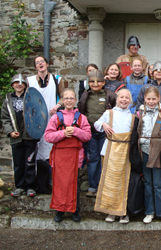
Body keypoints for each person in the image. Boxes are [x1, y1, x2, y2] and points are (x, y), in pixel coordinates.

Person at [44, 88, 91, 223]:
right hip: (59, 155)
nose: (69, 101)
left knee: (73, 184)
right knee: (59, 184)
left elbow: (87, 135)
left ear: (75, 100)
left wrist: (76, 131)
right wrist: (63, 133)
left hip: (75, 155)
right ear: (62, 101)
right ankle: (60, 211)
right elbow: (48, 136)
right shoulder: (55, 117)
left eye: (72, 98)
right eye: (66, 98)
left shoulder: (81, 118)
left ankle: (75, 210)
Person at [130, 87, 161, 227]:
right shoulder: (139, 113)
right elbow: (135, 133)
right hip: (145, 151)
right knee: (148, 183)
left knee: (159, 184)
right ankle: (149, 211)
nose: (151, 101)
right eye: (148, 99)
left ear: (159, 98)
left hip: (159, 153)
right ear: (144, 99)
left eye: (154, 99)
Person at [94, 89, 134, 224]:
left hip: (125, 152)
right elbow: (96, 124)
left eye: (126, 98)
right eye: (121, 97)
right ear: (117, 99)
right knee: (110, 182)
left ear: (130, 100)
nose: (124, 100)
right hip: (110, 150)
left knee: (124, 182)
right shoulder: (109, 113)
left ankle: (123, 213)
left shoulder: (133, 116)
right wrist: (103, 124)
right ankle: (110, 211)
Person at [78, 69, 116, 197]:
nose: (95, 84)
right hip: (90, 132)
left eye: (98, 81)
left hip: (105, 132)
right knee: (93, 158)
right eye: (92, 81)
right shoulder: (85, 95)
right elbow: (81, 111)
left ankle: (104, 185)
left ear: (103, 82)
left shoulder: (109, 94)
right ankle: (93, 186)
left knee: (104, 158)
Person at [1, 74, 37, 197]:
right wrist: (10, 131)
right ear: (12, 85)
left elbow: (37, 115)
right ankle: (20, 186)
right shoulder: (8, 100)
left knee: (30, 162)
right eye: (16, 82)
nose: (19, 84)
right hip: (16, 136)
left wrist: (36, 131)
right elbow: (5, 119)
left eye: (21, 82)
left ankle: (31, 187)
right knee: (18, 163)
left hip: (29, 136)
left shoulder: (31, 98)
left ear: (25, 85)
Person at [27, 56, 65, 165]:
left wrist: (57, 105)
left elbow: (64, 97)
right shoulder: (30, 81)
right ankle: (40, 179)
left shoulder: (57, 79)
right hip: (36, 119)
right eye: (37, 62)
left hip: (52, 118)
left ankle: (51, 177)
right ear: (35, 67)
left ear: (47, 64)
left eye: (42, 61)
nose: (40, 63)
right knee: (37, 149)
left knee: (51, 146)